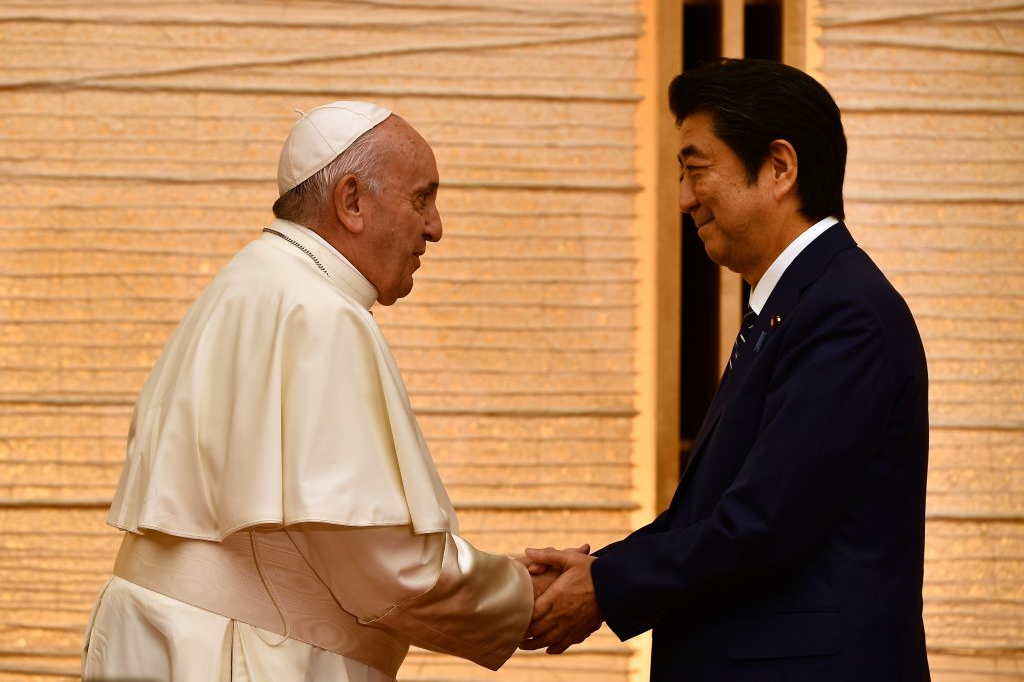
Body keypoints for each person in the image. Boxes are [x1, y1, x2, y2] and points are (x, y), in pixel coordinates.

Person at [81, 101, 551, 681]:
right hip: (240, 656)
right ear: (351, 201)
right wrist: (529, 598)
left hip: (173, 640)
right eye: (421, 198)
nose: (435, 226)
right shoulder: (318, 313)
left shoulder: (247, 283)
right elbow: (386, 570)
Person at [522, 58, 931, 681]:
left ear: (779, 168)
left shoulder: (845, 313)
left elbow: (763, 526)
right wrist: (596, 573)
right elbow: (710, 517)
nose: (683, 198)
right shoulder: (794, 307)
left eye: (695, 170)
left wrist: (603, 586)